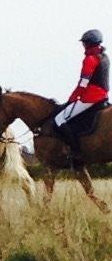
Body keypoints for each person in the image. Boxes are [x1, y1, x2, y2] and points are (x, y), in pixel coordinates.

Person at [53, 29, 109, 164]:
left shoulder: (90, 59)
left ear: (89, 44)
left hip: (91, 97)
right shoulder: (104, 57)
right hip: (104, 96)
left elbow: (83, 83)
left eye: (84, 43)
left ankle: (76, 152)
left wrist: (72, 99)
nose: (83, 46)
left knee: (59, 119)